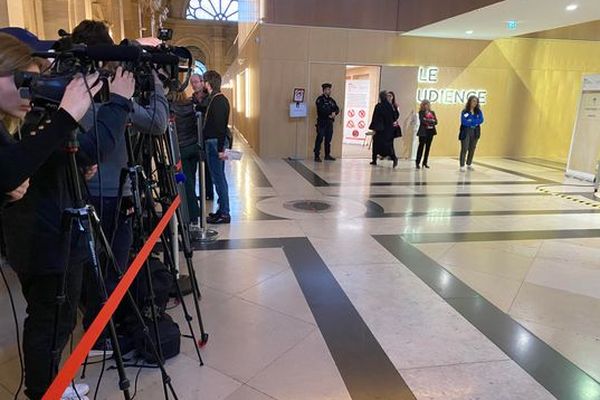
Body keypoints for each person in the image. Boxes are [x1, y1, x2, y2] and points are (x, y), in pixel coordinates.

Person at [0, 31, 135, 399]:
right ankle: (43, 390)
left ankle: (50, 385)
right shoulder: (35, 118)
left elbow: (33, 162)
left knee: (55, 321)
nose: (32, 94)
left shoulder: (15, 122)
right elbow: (17, 166)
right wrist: (76, 114)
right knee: (48, 322)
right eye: (25, 81)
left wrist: (75, 167)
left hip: (45, 233)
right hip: (43, 240)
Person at [70, 20, 169, 357]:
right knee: (112, 268)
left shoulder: (69, 89)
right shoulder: (110, 97)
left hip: (83, 191)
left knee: (93, 267)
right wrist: (153, 80)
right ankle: (100, 336)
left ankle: (97, 327)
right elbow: (156, 123)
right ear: (104, 57)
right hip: (111, 194)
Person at [202, 70, 231, 224]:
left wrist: (220, 150)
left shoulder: (219, 100)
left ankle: (224, 213)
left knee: (218, 178)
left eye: (204, 82)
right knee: (218, 178)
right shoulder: (215, 99)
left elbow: (220, 127)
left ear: (208, 83)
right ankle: (221, 210)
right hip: (214, 142)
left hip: (215, 144)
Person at [172, 90, 202, 229]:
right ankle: (194, 213)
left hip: (182, 149)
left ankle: (192, 215)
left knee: (186, 183)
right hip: (193, 147)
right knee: (192, 180)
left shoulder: (172, 108)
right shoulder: (190, 106)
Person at [190, 73, 214, 200]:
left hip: (208, 135)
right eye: (192, 82)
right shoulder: (191, 100)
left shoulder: (209, 98)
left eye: (196, 82)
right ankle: (201, 193)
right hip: (196, 136)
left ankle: (209, 193)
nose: (194, 85)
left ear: (202, 82)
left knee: (209, 167)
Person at [369, 91, 398, 168]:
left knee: (376, 144)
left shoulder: (378, 106)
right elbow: (395, 117)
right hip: (388, 130)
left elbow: (374, 118)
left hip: (379, 129)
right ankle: (393, 158)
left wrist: (374, 128)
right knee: (388, 146)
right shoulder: (390, 106)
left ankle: (374, 160)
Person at [314, 83, 339, 162]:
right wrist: (330, 113)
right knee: (320, 138)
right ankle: (316, 155)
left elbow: (337, 108)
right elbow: (321, 110)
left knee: (328, 139)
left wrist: (335, 113)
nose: (329, 91)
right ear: (324, 90)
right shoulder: (319, 99)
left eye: (329, 89)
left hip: (329, 123)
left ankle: (327, 155)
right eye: (328, 89)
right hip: (322, 122)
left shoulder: (331, 100)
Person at [459, 95, 484, 172]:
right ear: (469, 101)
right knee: (465, 148)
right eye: (473, 101)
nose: (475, 103)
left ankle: (469, 164)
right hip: (466, 131)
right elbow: (464, 122)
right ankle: (462, 165)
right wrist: (474, 122)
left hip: (475, 131)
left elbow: (481, 120)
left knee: (472, 148)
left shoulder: (478, 111)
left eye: (476, 101)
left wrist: (471, 121)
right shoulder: (465, 111)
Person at [415, 100, 438, 169]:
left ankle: (425, 163)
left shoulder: (432, 112)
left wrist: (429, 121)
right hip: (423, 132)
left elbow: (436, 121)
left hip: (431, 131)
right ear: (422, 105)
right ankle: (417, 162)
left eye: (428, 104)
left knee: (428, 148)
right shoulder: (421, 112)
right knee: (421, 147)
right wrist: (431, 121)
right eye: (425, 104)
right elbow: (422, 121)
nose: (426, 106)